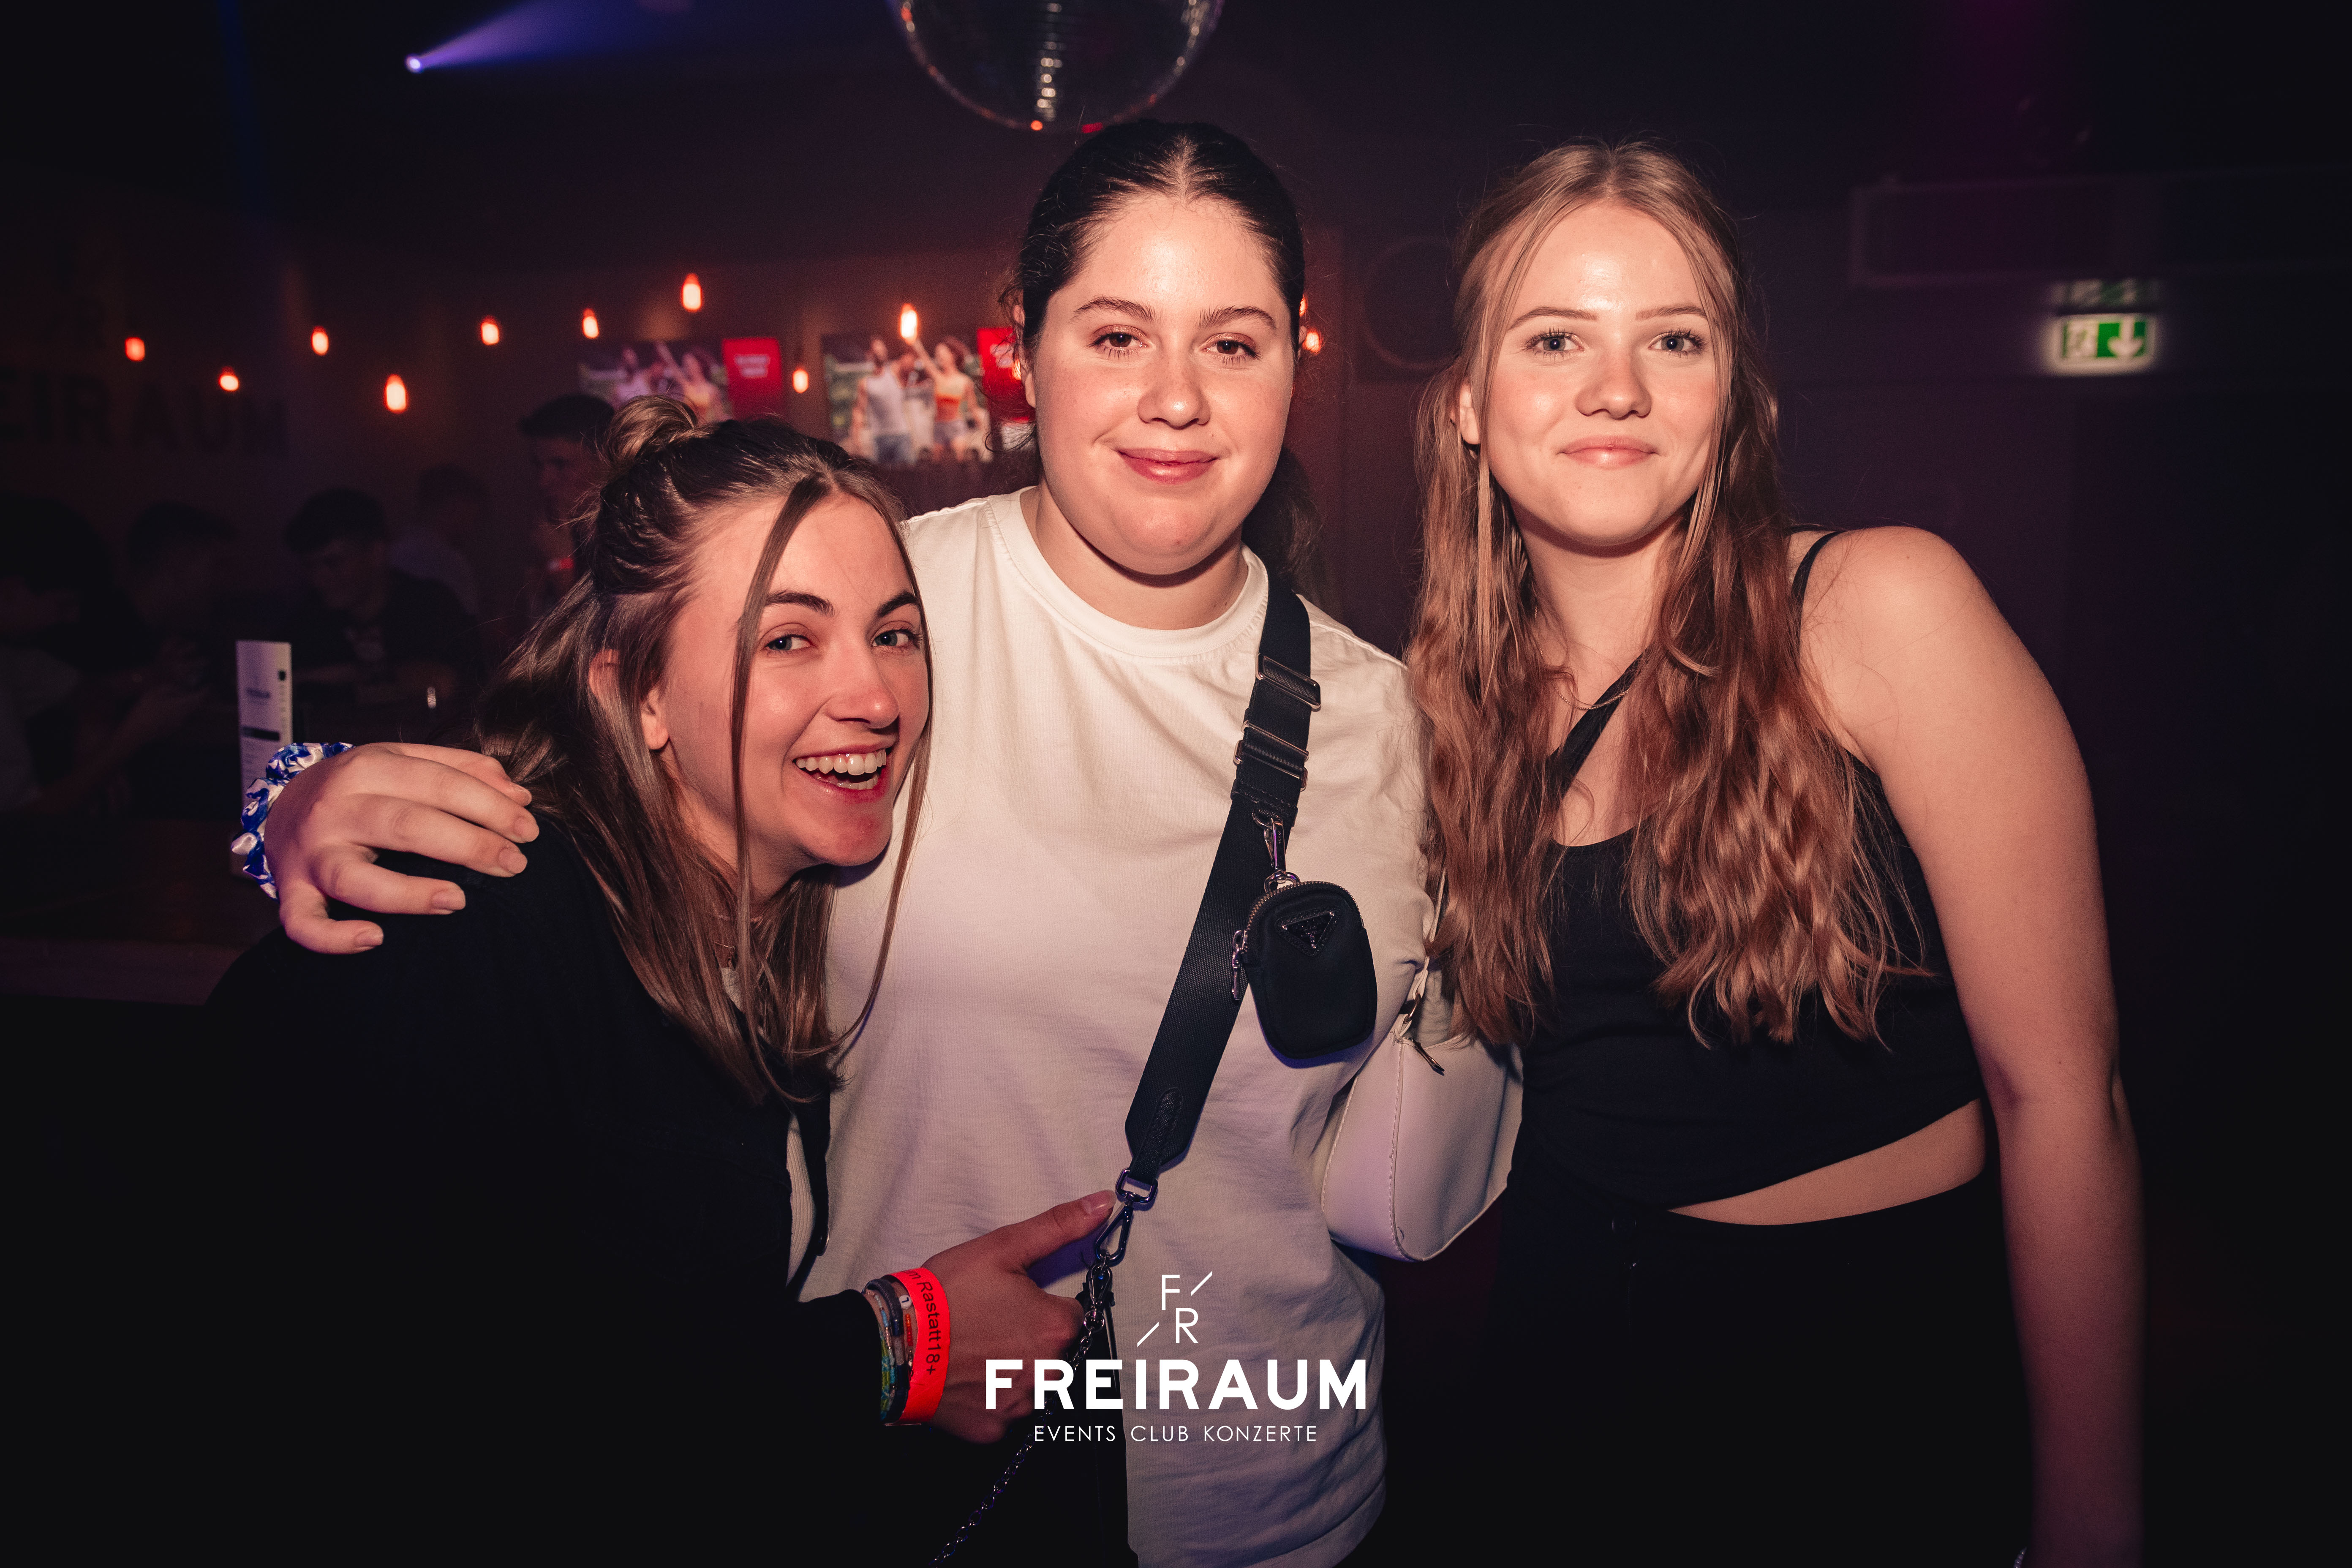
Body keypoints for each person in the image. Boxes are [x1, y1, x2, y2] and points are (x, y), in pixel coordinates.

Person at [239, 122, 1430, 1566]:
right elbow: (594, 767)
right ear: (1023, 346)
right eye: (1117, 334)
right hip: (888, 1483)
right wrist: (293, 800)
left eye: (1232, 344)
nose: (1175, 397)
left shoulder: (1393, 721)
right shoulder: (879, 588)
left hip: (1282, 1488)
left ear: (1296, 358)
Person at [1410, 142, 2141, 1565]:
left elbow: (2062, 1094)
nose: (1615, 387)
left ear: (1731, 396)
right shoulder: (1453, 704)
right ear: (1467, 408)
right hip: (1554, 1369)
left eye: (1672, 340)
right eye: (1554, 338)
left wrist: (2092, 1521)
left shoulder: (1874, 608)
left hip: (1854, 1386)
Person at [208, 404, 1106, 1530]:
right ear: (634, 694)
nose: (876, 698)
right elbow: (412, 1427)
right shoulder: (466, 930)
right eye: (787, 640)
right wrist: (894, 1348)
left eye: (894, 633)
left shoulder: (783, 912)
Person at [1, 495, 202, 813]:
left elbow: (87, 690)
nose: (72, 619)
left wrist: (94, 725)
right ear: (10, 591)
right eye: (63, 604)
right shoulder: (98, 632)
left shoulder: (13, 657)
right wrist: (126, 742)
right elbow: (21, 822)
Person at [280, 487, 483, 705]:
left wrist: (343, 676)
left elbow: (448, 683)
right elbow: (286, 681)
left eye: (333, 563)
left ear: (376, 553)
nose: (319, 578)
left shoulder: (429, 606)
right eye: (310, 566)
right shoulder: (311, 618)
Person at [517, 393, 616, 623]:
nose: (543, 481)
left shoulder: (631, 540)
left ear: (605, 460)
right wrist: (535, 598)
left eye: (560, 465)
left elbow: (602, 638)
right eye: (538, 466)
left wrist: (561, 565)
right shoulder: (561, 535)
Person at [392, 464, 487, 618]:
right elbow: (467, 624)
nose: (474, 524)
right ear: (456, 507)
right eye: (473, 512)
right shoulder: (451, 565)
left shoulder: (392, 554)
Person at [855, 338, 913, 466]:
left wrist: (910, 340)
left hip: (901, 437)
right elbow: (859, 412)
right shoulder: (866, 383)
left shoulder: (895, 371)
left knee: (906, 475)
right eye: (876, 350)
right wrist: (857, 441)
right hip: (880, 439)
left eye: (882, 349)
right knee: (882, 477)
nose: (880, 352)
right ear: (870, 354)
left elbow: (910, 360)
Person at [928, 336, 983, 459]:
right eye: (937, 355)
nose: (939, 357)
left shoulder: (964, 381)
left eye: (942, 354)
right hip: (939, 426)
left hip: (956, 425)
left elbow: (973, 408)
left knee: (960, 460)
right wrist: (914, 342)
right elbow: (925, 360)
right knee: (936, 462)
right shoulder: (938, 378)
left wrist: (984, 430)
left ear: (953, 355)